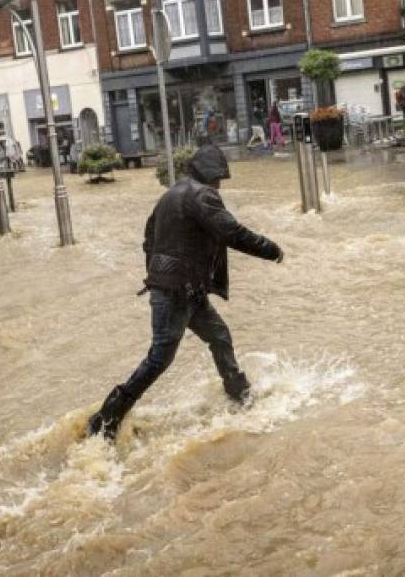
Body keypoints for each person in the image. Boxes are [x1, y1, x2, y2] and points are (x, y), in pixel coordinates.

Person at [87, 145, 284, 441]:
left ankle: (239, 394)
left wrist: (158, 275)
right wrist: (271, 249)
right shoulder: (201, 195)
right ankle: (107, 418)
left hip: (185, 290)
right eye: (219, 179)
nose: (219, 186)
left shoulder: (170, 194)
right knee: (159, 358)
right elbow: (231, 232)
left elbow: (148, 239)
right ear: (211, 174)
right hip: (177, 291)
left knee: (219, 335)